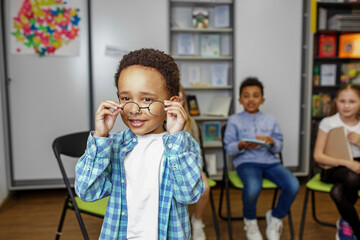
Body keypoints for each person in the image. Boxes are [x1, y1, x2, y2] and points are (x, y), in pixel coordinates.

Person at [74, 48, 205, 240]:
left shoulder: (183, 146)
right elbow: (87, 191)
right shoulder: (114, 145)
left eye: (147, 99)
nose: (134, 109)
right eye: (126, 98)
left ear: (172, 103)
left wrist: (176, 138)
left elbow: (189, 195)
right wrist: (101, 137)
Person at [223, 77, 299, 240]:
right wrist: (242, 144)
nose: (251, 99)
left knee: (293, 185)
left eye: (255, 95)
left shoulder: (271, 120)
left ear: (262, 100)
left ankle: (275, 217)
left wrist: (272, 142)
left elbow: (279, 146)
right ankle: (250, 222)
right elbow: (229, 148)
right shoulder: (233, 120)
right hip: (246, 163)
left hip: (270, 162)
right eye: (246, 95)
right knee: (253, 187)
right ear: (240, 99)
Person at [313, 83, 360, 240]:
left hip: (357, 166)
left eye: (352, 102)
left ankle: (346, 223)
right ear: (336, 102)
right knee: (351, 177)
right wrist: (347, 163)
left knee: (337, 192)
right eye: (342, 101)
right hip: (333, 166)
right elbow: (318, 156)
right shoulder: (328, 123)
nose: (346, 106)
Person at [179, 86, 210, 240]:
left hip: (192, 167)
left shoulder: (191, 124)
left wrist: (198, 169)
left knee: (205, 188)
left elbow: (197, 152)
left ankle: (197, 221)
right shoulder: (159, 122)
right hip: (170, 168)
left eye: (180, 98)